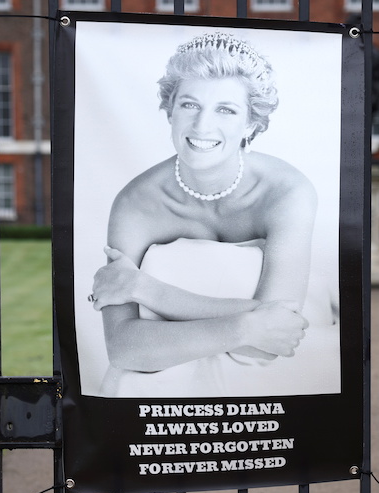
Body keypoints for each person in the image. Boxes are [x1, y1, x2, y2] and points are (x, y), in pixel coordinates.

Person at [91, 31, 321, 398]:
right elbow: (123, 348)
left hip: (271, 388)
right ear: (170, 111)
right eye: (189, 105)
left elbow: (278, 333)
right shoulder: (135, 204)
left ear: (251, 124)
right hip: (155, 390)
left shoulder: (287, 192)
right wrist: (246, 326)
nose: (201, 126)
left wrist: (144, 288)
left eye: (226, 109)